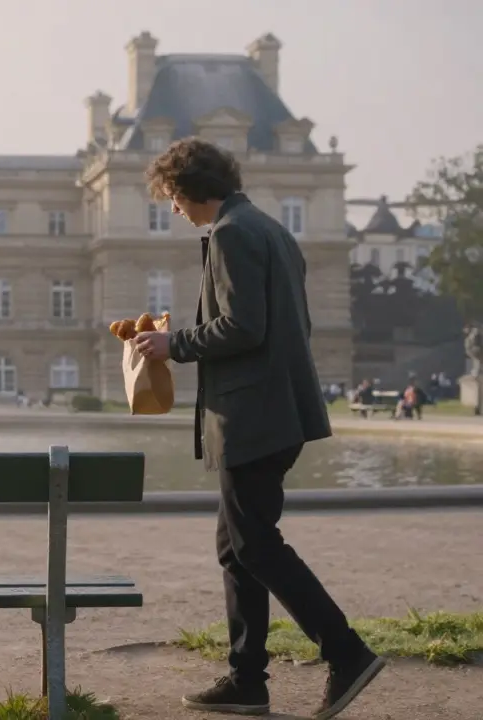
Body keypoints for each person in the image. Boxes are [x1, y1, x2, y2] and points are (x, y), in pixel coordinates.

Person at [133, 138, 385, 719]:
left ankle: (346, 653)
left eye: (171, 196)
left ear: (187, 189)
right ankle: (247, 678)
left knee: (255, 545)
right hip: (277, 408)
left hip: (254, 414)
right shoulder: (270, 228)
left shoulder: (229, 233)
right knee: (235, 546)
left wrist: (176, 344)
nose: (172, 209)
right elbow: (281, 322)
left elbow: (243, 327)